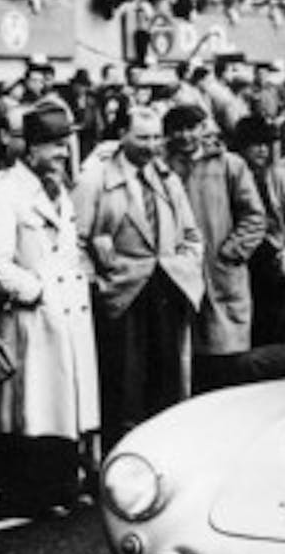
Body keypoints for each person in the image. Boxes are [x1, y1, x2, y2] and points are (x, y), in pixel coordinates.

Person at [0, 103, 99, 514]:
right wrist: (36, 292)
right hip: (34, 319)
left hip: (67, 316)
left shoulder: (58, 189)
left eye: (65, 144)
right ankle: (32, 496)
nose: (64, 153)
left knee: (64, 406)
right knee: (35, 409)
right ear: (30, 148)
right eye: (54, 145)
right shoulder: (5, 191)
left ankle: (61, 486)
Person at [73, 107, 205, 451]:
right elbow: (76, 240)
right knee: (123, 390)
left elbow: (191, 235)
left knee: (166, 388)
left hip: (167, 292)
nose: (152, 145)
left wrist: (184, 267)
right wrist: (97, 284)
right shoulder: (96, 179)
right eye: (142, 137)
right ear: (123, 137)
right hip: (121, 298)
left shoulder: (167, 179)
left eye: (157, 137)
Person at [163, 104, 266, 392]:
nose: (185, 136)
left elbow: (255, 216)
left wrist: (231, 251)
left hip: (220, 272)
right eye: (177, 129)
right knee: (184, 357)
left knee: (226, 356)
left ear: (203, 128)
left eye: (191, 127)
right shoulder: (162, 167)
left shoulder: (229, 164)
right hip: (179, 272)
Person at [233, 114, 285, 347]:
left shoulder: (272, 175)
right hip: (248, 253)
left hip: (271, 251)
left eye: (266, 145)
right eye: (256, 145)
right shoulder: (236, 173)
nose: (262, 151)